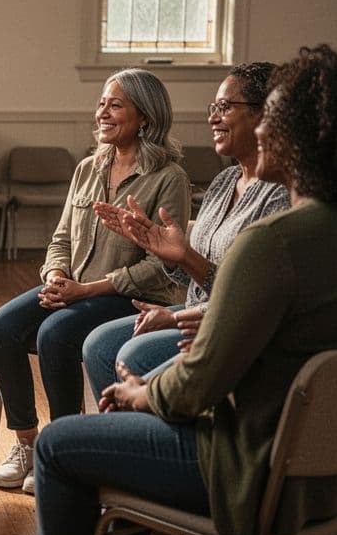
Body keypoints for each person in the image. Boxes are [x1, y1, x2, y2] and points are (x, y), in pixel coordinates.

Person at [0, 45, 337, 535]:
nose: (258, 129)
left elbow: (194, 389)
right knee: (119, 412)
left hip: (254, 474)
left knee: (63, 445)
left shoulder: (276, 242)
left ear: (311, 135)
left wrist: (143, 392)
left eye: (272, 114)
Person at [0, 69, 190, 494]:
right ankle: (27, 443)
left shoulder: (169, 177)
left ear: (145, 118)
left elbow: (161, 266)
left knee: (55, 334)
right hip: (73, 286)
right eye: (101, 103)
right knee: (2, 327)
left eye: (115, 105)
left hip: (128, 298)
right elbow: (61, 237)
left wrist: (88, 290)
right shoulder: (88, 168)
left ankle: (66, 450)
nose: (102, 112)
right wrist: (57, 273)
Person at [82, 64, 290, 397]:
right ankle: (125, 435)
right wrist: (171, 256)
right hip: (195, 309)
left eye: (224, 107)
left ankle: (143, 436)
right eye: (213, 108)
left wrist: (181, 311)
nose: (213, 118)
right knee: (98, 345)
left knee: (129, 355)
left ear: (264, 115)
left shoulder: (279, 194)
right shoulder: (223, 182)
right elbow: (193, 273)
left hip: (224, 323)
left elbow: (253, 299)